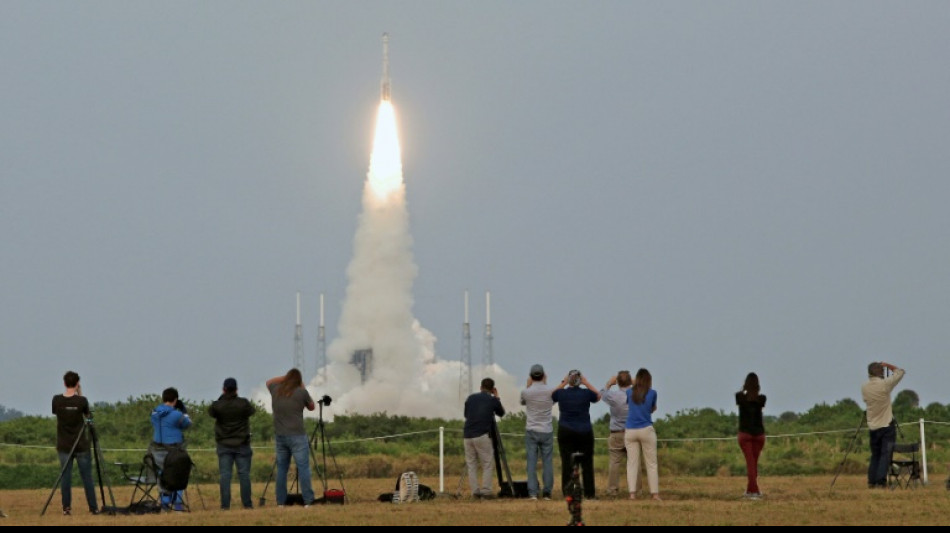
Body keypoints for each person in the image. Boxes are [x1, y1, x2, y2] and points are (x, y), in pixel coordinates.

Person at [52, 371, 99, 516]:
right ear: (77, 383)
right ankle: (93, 508)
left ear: (64, 383)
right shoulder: (82, 400)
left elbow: (56, 413)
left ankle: (66, 508)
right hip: (81, 445)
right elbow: (88, 416)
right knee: (87, 478)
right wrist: (79, 393)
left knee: (65, 477)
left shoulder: (57, 400)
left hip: (64, 445)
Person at [267, 368, 316, 507]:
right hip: (297, 435)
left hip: (280, 436)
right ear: (298, 381)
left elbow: (269, 381)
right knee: (303, 468)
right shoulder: (301, 392)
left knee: (282, 469)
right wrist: (302, 385)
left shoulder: (275, 390)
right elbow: (312, 407)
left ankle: (280, 502)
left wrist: (285, 378)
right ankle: (308, 501)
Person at [208, 377, 257, 510]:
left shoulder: (218, 405)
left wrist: (223, 397)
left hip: (224, 444)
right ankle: (247, 504)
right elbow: (252, 411)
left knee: (225, 476)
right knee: (244, 475)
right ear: (236, 389)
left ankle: (225, 505)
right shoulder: (243, 403)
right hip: (242, 444)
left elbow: (211, 411)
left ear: (223, 390)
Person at [552, 369, 601, 499]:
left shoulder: (561, 393)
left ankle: (568, 492)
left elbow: (551, 395)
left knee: (567, 463)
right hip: (584, 430)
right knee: (587, 463)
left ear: (569, 381)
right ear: (580, 381)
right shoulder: (586, 393)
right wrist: (586, 382)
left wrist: (563, 382)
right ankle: (589, 493)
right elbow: (598, 396)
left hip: (566, 430)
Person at [861, 361, 905, 489]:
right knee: (885, 454)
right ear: (880, 373)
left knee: (875, 454)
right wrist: (888, 366)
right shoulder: (885, 384)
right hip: (886, 425)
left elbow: (865, 400)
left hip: (872, 426)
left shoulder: (864, 387)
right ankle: (881, 480)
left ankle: (872, 481)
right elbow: (900, 372)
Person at [150, 386, 192, 510]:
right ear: (175, 399)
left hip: (157, 449)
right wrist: (184, 412)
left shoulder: (154, 413)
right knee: (179, 473)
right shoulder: (177, 414)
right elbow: (187, 424)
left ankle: (164, 502)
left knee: (162, 474)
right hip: (175, 449)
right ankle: (177, 503)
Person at [463, 377, 506, 499]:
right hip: (482, 434)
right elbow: (501, 413)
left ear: (481, 387)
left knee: (471, 464)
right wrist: (497, 397)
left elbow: (466, 414)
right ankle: (486, 491)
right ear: (492, 389)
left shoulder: (470, 398)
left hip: (467, 435)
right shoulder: (492, 399)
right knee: (487, 463)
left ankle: (475, 492)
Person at [520, 364, 555, 501]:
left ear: (531, 376)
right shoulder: (551, 391)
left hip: (532, 430)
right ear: (543, 375)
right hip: (546, 430)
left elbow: (523, 402)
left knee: (531, 462)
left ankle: (533, 492)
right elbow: (552, 402)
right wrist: (545, 384)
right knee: (547, 462)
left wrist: (528, 386)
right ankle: (547, 492)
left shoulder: (526, 392)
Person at [624, 367, 661, 501]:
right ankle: (654, 494)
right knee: (651, 463)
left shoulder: (629, 392)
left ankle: (632, 494)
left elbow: (631, 401)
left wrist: (635, 382)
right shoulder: (652, 393)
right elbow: (652, 409)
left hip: (630, 430)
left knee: (632, 463)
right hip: (646, 428)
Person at [601, 370, 634, 498]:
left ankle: (612, 490)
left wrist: (609, 383)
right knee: (634, 462)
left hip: (616, 433)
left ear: (618, 382)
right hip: (632, 432)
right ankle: (636, 490)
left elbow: (601, 393)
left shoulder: (613, 396)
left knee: (614, 463)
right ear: (630, 381)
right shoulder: (635, 395)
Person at [736, 372, 767, 500]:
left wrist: (744, 389)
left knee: (750, 464)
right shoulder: (762, 399)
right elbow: (757, 400)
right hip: (759, 435)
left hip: (745, 434)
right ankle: (751, 490)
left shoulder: (740, 397)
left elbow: (741, 395)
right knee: (753, 463)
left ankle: (753, 492)